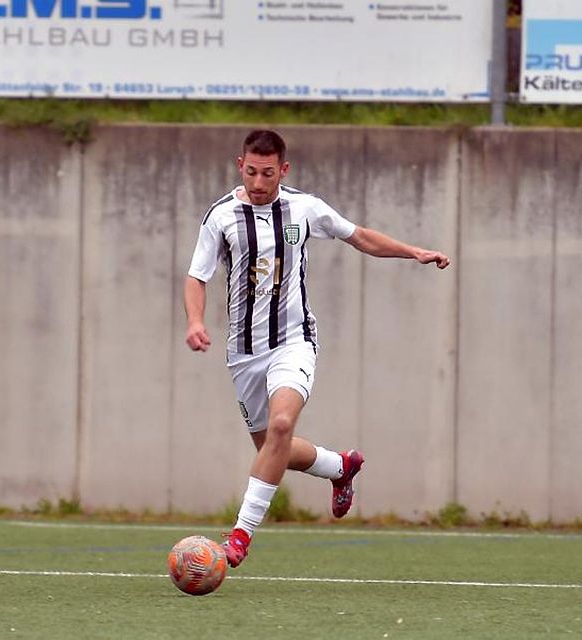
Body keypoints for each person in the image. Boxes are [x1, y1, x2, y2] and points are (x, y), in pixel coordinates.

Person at [183, 129, 450, 568]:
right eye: (251, 172)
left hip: (294, 341)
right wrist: (195, 320)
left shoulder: (304, 208)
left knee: (282, 426)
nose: (258, 182)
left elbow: (358, 235)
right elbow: (197, 276)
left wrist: (413, 251)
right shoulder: (221, 216)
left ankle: (239, 536)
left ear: (282, 170)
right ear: (240, 166)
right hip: (244, 351)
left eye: (267, 173)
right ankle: (339, 466)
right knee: (271, 446)